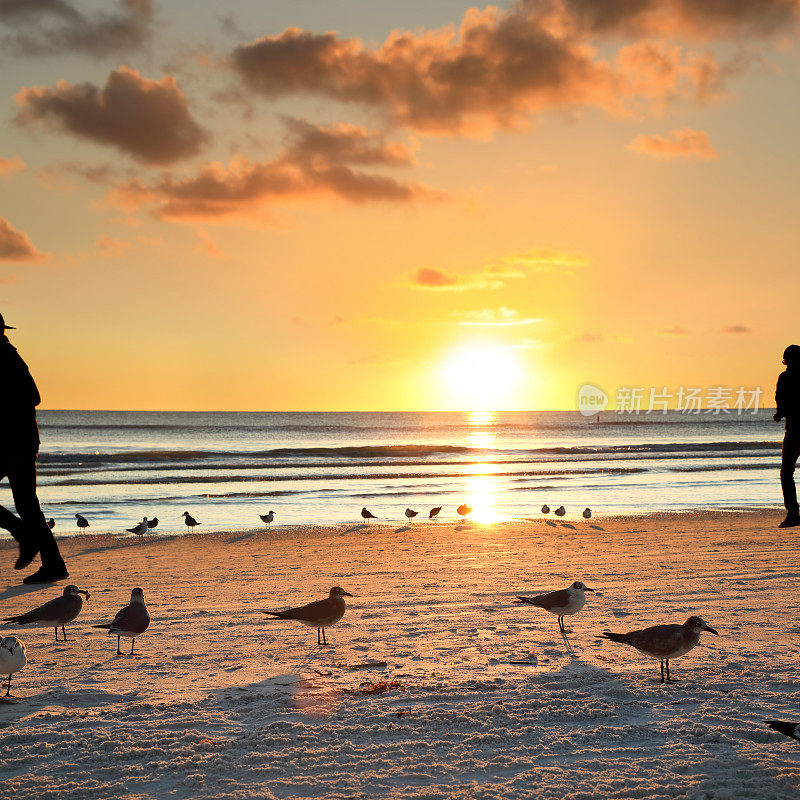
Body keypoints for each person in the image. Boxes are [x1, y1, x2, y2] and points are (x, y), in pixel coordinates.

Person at [0, 312, 68, 582]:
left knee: (27, 506)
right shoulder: (7, 355)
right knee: (28, 506)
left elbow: (33, 396)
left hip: (13, 444)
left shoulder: (5, 356)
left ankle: (23, 535)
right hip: (18, 443)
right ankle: (54, 566)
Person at [775, 344, 800, 529]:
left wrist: (779, 413)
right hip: (793, 429)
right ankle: (792, 513)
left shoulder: (785, 377)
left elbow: (780, 399)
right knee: (786, 473)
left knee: (786, 473)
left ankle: (793, 513)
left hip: (794, 431)